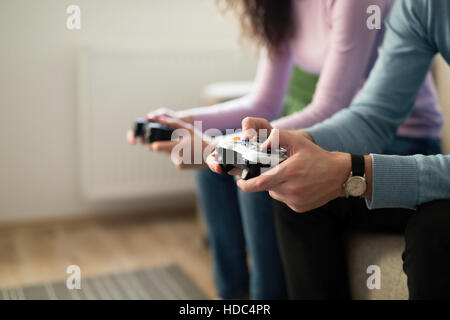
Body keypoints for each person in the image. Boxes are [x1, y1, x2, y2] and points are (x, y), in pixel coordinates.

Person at [128, 0, 443, 299]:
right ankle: (234, 296)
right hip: (359, 128)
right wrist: (188, 122)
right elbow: (264, 101)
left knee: (260, 173)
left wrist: (223, 144)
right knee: (219, 169)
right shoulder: (280, 6)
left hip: (405, 141)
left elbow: (331, 106)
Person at [221, 0, 450, 299]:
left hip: (414, 146)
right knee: (294, 193)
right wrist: (299, 142)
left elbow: (330, 107)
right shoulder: (421, 7)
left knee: (435, 230)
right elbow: (372, 116)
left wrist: (356, 172)